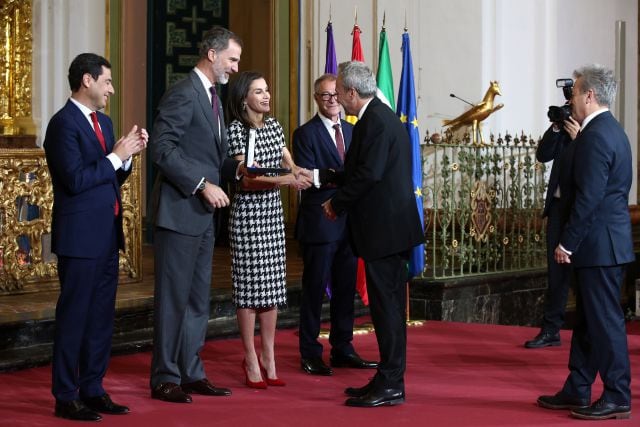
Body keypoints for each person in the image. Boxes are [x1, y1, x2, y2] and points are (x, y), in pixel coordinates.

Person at [44, 53, 148, 421]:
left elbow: (109, 178)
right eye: (107, 81)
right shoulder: (62, 124)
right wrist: (115, 156)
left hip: (106, 235)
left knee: (102, 317)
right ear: (87, 80)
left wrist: (129, 156)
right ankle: (65, 395)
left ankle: (93, 388)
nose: (112, 89)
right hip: (78, 238)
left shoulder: (103, 121)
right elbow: (75, 181)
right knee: (74, 318)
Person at [148, 26, 246, 403]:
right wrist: (203, 183)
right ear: (212, 54)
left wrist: (234, 169)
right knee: (173, 299)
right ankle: (164, 377)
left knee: (196, 300)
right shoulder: (183, 93)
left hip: (202, 216)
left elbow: (207, 154)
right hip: (179, 212)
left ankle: (190, 372)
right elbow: (163, 149)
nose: (235, 68)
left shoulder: (213, 98)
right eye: (232, 59)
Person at [322, 61, 424, 407]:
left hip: (386, 232)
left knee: (387, 310)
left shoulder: (376, 120)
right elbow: (359, 170)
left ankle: (392, 382)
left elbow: (369, 174)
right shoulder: (375, 117)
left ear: (352, 93)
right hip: (386, 231)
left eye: (339, 94)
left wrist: (336, 203)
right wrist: (322, 178)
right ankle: (388, 376)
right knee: (386, 309)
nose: (337, 99)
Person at [537, 64, 633, 420]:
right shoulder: (611, 131)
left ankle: (617, 395)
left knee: (604, 323)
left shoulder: (595, 136)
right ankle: (578, 388)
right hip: (605, 243)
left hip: (598, 244)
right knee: (588, 322)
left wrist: (567, 243)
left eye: (575, 92)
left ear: (589, 96)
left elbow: (589, 198)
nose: (571, 98)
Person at [226, 70, 312, 388]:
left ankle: (269, 355)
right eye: (258, 91)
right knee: (249, 291)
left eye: (267, 90)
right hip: (248, 216)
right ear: (243, 98)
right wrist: (287, 180)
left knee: (272, 289)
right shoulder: (235, 130)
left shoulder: (274, 126)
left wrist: (302, 173)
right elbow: (247, 178)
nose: (266, 96)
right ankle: (249, 356)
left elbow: (289, 162)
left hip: (272, 217)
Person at [293, 73, 378, 376]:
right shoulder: (305, 134)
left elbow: (355, 174)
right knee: (314, 289)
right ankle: (310, 352)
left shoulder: (354, 132)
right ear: (316, 98)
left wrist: (331, 175)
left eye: (335, 94)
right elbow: (308, 178)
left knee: (345, 289)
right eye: (324, 95)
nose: (331, 100)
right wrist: (333, 176)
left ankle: (343, 348)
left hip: (349, 223)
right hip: (320, 224)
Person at [524, 117, 579, 349]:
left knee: (582, 274)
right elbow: (543, 154)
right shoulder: (563, 129)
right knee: (555, 274)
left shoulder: (591, 131)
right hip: (557, 208)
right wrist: (556, 126)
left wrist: (580, 139)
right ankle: (550, 329)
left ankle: (591, 332)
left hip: (579, 209)